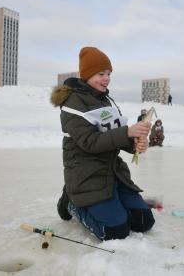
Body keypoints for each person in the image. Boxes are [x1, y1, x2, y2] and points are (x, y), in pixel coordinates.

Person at [50, 47, 155, 241]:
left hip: (113, 174)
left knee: (143, 221)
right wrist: (127, 132)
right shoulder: (73, 103)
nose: (106, 78)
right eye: (101, 74)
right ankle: (72, 202)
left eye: (108, 74)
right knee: (115, 232)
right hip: (87, 175)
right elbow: (89, 142)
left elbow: (113, 134)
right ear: (87, 74)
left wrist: (136, 144)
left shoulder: (105, 100)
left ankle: (114, 205)